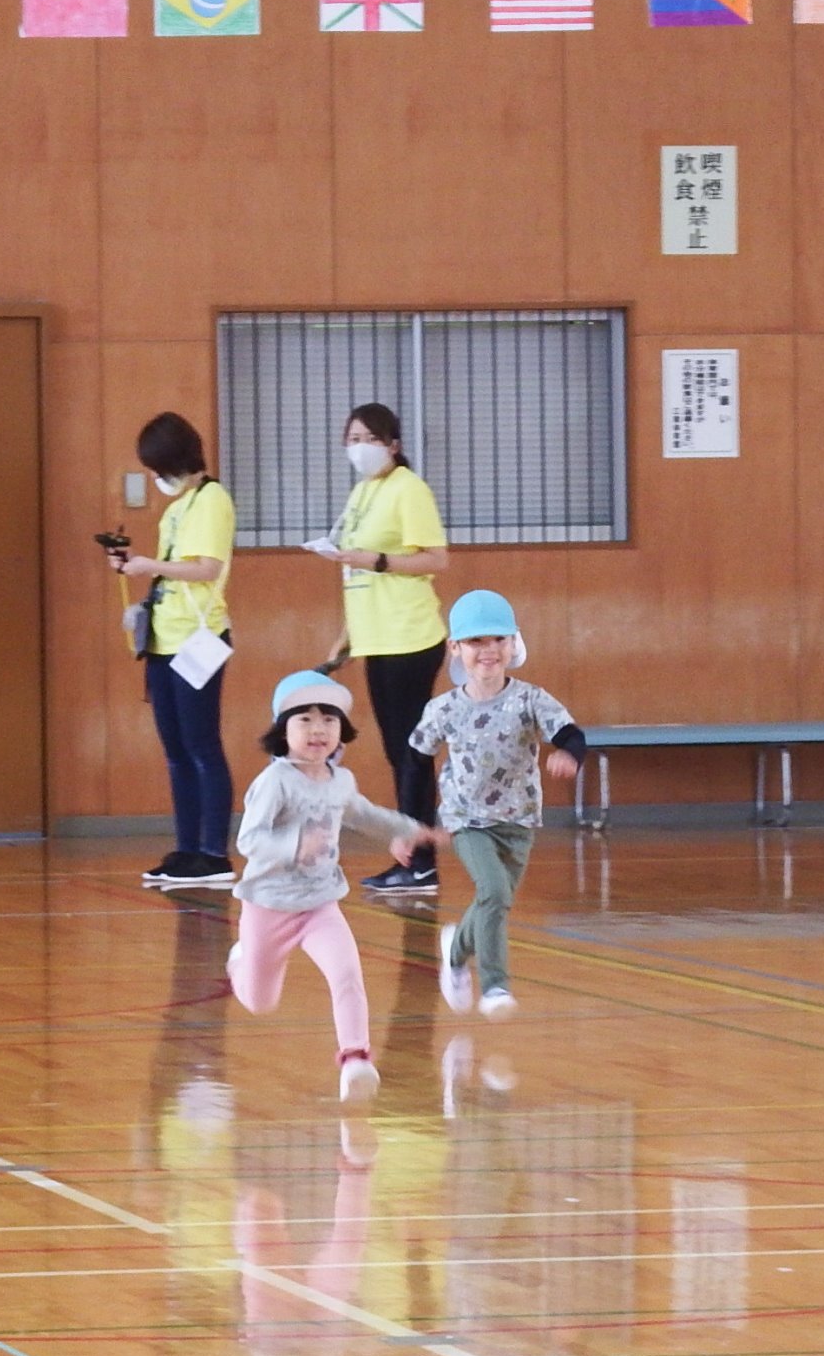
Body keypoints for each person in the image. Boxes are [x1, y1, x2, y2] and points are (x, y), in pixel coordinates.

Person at [227, 672, 439, 1102]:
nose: (318, 729)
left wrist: (409, 830)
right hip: (269, 906)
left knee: (346, 974)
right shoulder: (274, 782)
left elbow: (363, 814)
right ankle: (239, 962)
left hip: (320, 904)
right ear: (282, 730)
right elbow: (249, 841)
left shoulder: (340, 781)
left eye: (328, 719)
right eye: (304, 719)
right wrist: (295, 844)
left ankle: (355, 1058)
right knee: (260, 1001)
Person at [410, 591, 585, 1020]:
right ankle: (495, 986)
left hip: (518, 819)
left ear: (513, 643)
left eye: (498, 640)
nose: (488, 650)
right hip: (466, 820)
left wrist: (569, 754)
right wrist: (414, 824)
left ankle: (456, 949)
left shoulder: (530, 699)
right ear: (455, 648)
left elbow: (570, 734)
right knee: (492, 891)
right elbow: (415, 761)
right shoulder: (443, 709)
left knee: (497, 900)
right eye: (476, 641)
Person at [317, 404, 450, 895]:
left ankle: (420, 861)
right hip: (377, 638)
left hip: (408, 637)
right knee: (398, 752)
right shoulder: (362, 493)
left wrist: (375, 560)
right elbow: (356, 575)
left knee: (411, 753)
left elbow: (435, 558)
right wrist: (347, 637)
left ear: (393, 444)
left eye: (370, 438)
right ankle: (412, 856)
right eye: (352, 438)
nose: (360, 447)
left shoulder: (408, 489)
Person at [114, 412, 236, 886]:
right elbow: (171, 570)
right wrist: (137, 566)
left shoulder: (212, 500)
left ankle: (214, 853)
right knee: (176, 750)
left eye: (158, 467)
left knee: (202, 745)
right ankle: (187, 849)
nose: (156, 478)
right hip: (165, 639)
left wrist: (150, 565)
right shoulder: (177, 508)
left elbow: (206, 568)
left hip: (198, 638)